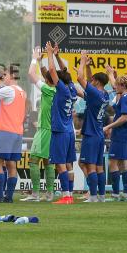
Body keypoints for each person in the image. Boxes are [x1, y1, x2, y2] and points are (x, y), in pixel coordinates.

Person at [44, 42, 78, 205]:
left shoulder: (63, 90)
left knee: (60, 164)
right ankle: (69, 194)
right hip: (69, 131)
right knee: (69, 164)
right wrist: (57, 56)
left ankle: (65, 195)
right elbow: (65, 72)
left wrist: (50, 53)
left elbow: (52, 71)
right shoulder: (71, 88)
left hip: (60, 131)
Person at [23, 47, 57, 202]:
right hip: (53, 130)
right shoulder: (57, 89)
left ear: (47, 80)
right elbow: (44, 75)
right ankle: (50, 193)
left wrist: (34, 59)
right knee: (48, 161)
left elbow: (31, 75)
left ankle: (35, 194)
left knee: (34, 161)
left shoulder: (48, 90)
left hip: (44, 130)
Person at [75, 51, 109, 203]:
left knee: (90, 166)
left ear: (96, 82)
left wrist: (82, 61)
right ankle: (101, 196)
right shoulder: (105, 94)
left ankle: (93, 196)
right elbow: (89, 79)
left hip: (91, 134)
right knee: (99, 166)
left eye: (93, 80)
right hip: (99, 134)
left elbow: (80, 78)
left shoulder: (95, 94)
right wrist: (88, 67)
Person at [0, 62, 27, 203]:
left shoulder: (8, 90)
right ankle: (9, 196)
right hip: (18, 132)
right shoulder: (22, 91)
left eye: (5, 75)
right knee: (12, 164)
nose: (3, 77)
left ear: (11, 75)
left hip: (6, 131)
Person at [103, 71, 127, 201]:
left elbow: (124, 118)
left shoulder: (126, 98)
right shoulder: (126, 97)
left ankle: (116, 193)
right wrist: (111, 74)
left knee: (113, 162)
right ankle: (125, 193)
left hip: (121, 135)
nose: (115, 87)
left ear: (122, 85)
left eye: (117, 85)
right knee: (123, 163)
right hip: (124, 135)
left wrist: (108, 126)